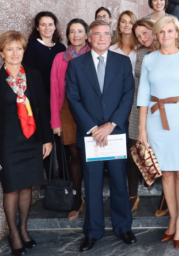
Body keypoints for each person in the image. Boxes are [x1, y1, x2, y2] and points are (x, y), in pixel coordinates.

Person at [0, 31, 53, 255]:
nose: (14, 53)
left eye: (18, 48)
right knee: (11, 188)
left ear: (23, 51)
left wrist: (47, 138)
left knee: (27, 186)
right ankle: (13, 232)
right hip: (7, 144)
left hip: (31, 141)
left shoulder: (34, 75)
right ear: (1, 53)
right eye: (9, 49)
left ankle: (23, 228)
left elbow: (43, 110)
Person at [65, 20, 137, 252]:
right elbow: (73, 98)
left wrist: (111, 124)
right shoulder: (76, 65)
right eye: (97, 34)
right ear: (89, 37)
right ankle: (93, 232)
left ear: (111, 37)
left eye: (106, 34)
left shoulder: (123, 62)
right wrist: (94, 128)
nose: (102, 38)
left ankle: (123, 227)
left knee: (119, 182)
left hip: (115, 133)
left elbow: (128, 95)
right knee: (93, 184)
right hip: (90, 135)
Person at [137, 16, 179, 249]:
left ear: (177, 33)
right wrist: (141, 128)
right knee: (165, 174)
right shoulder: (149, 59)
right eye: (161, 32)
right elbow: (143, 96)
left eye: (170, 31)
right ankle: (173, 218)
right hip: (156, 121)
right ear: (157, 35)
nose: (165, 36)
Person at [50, 19, 91, 221]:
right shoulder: (60, 58)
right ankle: (77, 199)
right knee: (74, 154)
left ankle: (93, 196)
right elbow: (55, 89)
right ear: (68, 35)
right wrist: (55, 120)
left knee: (91, 154)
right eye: (72, 31)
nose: (76, 35)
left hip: (90, 109)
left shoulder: (94, 54)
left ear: (86, 34)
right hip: (67, 110)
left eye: (80, 31)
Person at [129, 20, 164, 216]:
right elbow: (136, 82)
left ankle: (166, 196)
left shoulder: (168, 49)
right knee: (133, 146)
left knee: (162, 149)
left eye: (145, 32)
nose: (143, 38)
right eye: (139, 36)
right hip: (139, 105)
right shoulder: (140, 53)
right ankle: (132, 196)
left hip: (162, 107)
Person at [23, 11, 66, 170]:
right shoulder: (32, 47)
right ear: (37, 27)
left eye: (50, 24)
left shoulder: (61, 48)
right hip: (41, 102)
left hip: (60, 101)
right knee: (46, 141)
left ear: (55, 27)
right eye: (43, 24)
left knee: (62, 143)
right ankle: (47, 184)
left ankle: (65, 181)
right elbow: (29, 76)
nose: (47, 28)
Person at [108, 10, 140, 212]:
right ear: (118, 25)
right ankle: (125, 192)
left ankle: (135, 192)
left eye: (131, 22)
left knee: (135, 149)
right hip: (117, 104)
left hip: (139, 103)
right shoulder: (111, 49)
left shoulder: (141, 48)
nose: (127, 25)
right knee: (123, 151)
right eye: (123, 22)